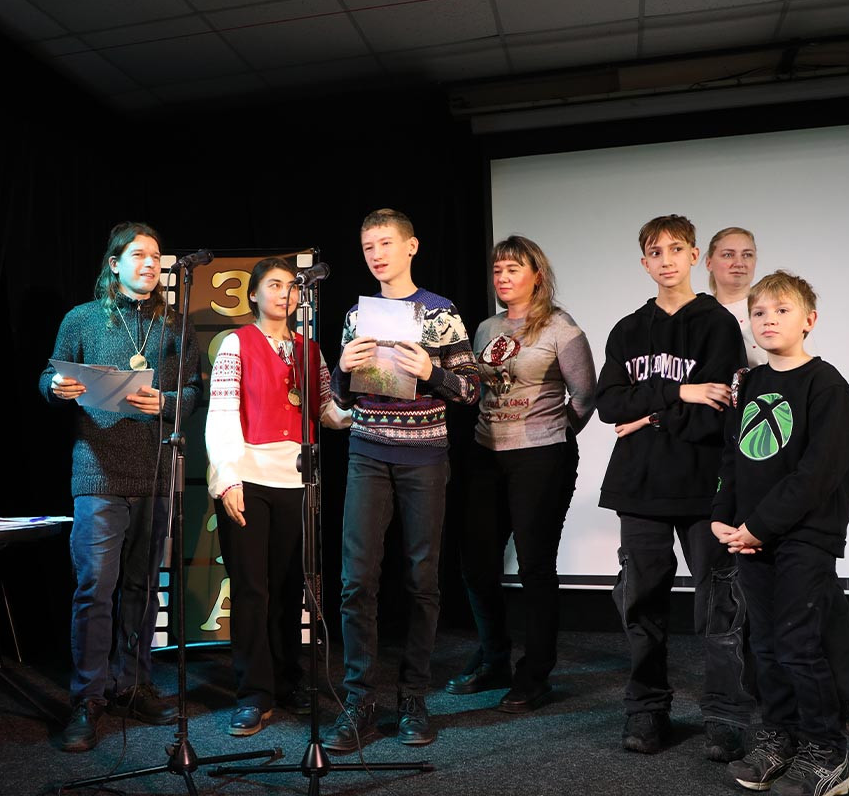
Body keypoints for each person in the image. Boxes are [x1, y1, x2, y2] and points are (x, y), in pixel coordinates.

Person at [706, 227, 849, 737]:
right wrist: (722, 516)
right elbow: (735, 458)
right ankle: (779, 737)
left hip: (803, 535)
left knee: (797, 646)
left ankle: (824, 749)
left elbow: (817, 474)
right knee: (763, 645)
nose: (769, 319)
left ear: (809, 320)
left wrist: (758, 526)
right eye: (759, 312)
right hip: (752, 537)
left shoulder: (827, 386)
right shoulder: (750, 384)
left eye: (782, 310)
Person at [594, 214, 753, 761]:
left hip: (704, 486)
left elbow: (717, 412)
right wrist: (679, 392)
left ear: (693, 257)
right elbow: (608, 405)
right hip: (638, 486)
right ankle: (646, 709)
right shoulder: (627, 329)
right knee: (640, 604)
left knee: (720, 606)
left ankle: (724, 715)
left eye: (676, 249)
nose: (666, 259)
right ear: (645, 263)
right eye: (655, 252)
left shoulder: (717, 324)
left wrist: (648, 415)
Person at [38, 221, 201, 752]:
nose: (150, 263)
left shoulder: (175, 326)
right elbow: (48, 378)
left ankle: (133, 683)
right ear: (115, 264)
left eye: (156, 256)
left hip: (154, 471)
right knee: (95, 587)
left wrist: (167, 403)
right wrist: (56, 386)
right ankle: (87, 698)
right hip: (98, 472)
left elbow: (193, 392)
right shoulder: (82, 319)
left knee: (142, 587)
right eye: (138, 255)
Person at [324, 208, 480, 751]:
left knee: (421, 579)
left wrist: (430, 372)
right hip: (367, 451)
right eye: (368, 246)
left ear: (411, 247)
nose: (377, 254)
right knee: (356, 580)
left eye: (386, 243)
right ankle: (359, 701)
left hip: (424, 457)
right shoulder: (357, 314)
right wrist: (343, 368)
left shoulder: (440, 312)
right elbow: (341, 399)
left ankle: (413, 697)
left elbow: (471, 390)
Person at [446, 235, 595, 712]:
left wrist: (553, 432)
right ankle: (494, 659)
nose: (503, 277)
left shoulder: (561, 328)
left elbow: (585, 396)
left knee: (534, 566)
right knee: (476, 564)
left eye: (513, 269)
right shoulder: (486, 328)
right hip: (485, 453)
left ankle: (536, 673)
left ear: (537, 275)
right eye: (498, 270)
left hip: (541, 457)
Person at [205, 257, 349, 736]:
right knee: (252, 589)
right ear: (253, 294)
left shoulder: (310, 350)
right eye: (273, 285)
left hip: (296, 481)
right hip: (248, 477)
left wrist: (371, 408)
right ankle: (253, 692)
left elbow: (327, 411)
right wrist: (228, 477)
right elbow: (222, 412)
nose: (284, 294)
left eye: (290, 286)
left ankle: (288, 679)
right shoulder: (237, 343)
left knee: (290, 587)